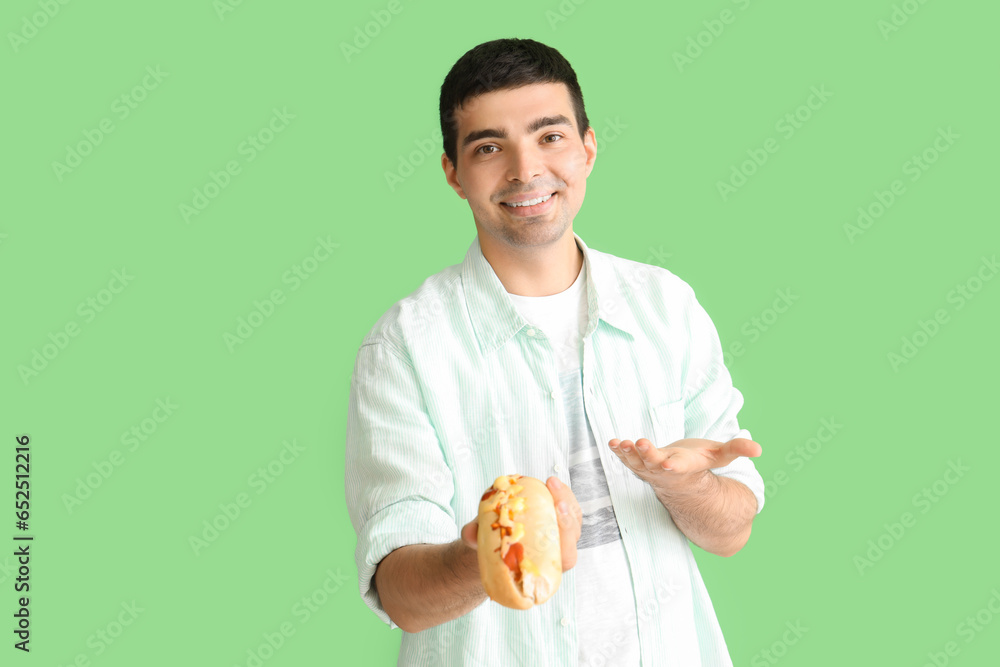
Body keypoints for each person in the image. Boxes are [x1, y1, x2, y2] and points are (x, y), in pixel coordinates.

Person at [345, 37, 765, 667]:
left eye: (550, 137)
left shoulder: (665, 307)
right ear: (453, 173)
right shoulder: (406, 348)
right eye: (489, 147)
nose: (525, 170)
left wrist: (685, 485)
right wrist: (489, 555)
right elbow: (402, 594)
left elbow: (731, 531)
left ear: (588, 149)